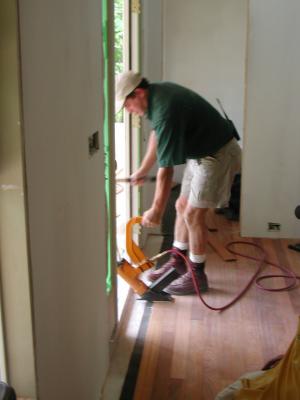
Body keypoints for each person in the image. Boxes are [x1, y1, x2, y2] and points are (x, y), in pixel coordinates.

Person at [115, 70, 241, 295]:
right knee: (181, 206)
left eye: (127, 104)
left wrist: (156, 210)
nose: (128, 110)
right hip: (201, 154)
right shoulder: (157, 95)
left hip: (218, 154)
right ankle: (178, 262)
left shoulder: (165, 109)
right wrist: (143, 169)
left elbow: (166, 172)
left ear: (139, 93)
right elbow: (157, 136)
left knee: (193, 214)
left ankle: (197, 276)